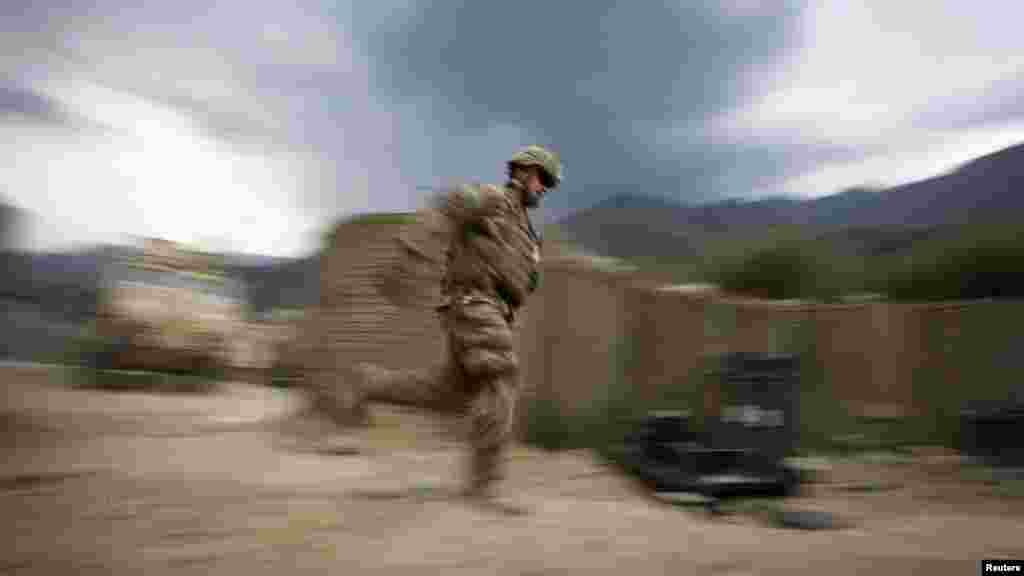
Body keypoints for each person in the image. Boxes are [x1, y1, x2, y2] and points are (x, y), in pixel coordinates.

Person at [348, 145, 562, 514]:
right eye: (542, 178)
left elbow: (520, 285)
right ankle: (484, 487)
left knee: (447, 393)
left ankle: (369, 383)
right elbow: (447, 205)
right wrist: (411, 254)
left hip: (490, 312)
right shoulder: (493, 202)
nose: (544, 187)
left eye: (549, 183)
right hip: (471, 303)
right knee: (502, 378)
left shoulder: (528, 235)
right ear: (523, 173)